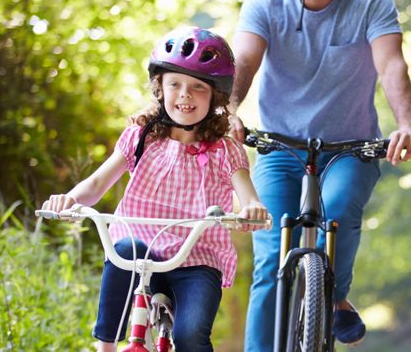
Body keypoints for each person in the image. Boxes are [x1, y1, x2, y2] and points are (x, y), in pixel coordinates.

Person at [229, 0, 411, 349]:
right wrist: (230, 108)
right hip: (280, 148)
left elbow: (391, 65)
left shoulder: (371, 0)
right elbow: (244, 60)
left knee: (338, 212)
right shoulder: (265, 4)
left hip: (350, 149)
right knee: (270, 257)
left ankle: (334, 295)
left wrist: (407, 123)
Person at [40, 26, 270, 352]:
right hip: (140, 254)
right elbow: (96, 183)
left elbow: (248, 196)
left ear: (216, 96)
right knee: (122, 249)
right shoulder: (141, 137)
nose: (184, 94)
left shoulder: (225, 150)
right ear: (160, 88)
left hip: (196, 261)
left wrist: (251, 210)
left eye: (197, 87)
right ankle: (106, 346)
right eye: (174, 84)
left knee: (190, 336)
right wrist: (70, 200)